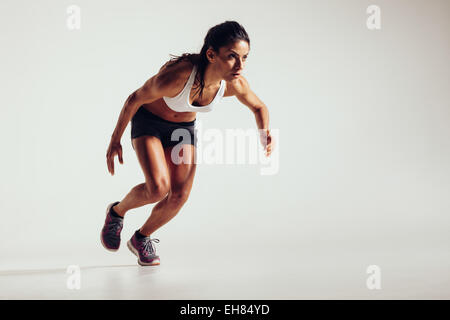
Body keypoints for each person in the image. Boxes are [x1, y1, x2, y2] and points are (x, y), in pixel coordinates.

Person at [101, 21, 273, 266]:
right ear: (211, 55)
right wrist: (115, 139)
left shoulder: (233, 84)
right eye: (232, 57)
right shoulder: (178, 76)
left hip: (182, 130)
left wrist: (264, 131)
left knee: (179, 195)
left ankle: (142, 238)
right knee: (158, 189)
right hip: (149, 123)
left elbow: (259, 106)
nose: (240, 65)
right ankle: (116, 213)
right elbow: (134, 99)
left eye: (245, 57)